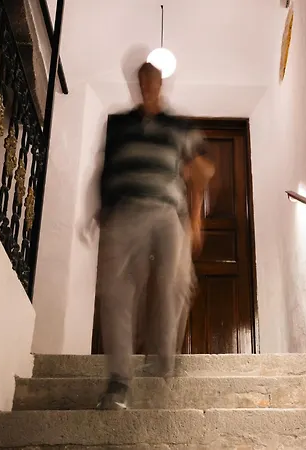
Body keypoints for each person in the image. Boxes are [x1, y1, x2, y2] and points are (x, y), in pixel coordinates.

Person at [96, 62, 214, 410]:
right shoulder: (118, 124)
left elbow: (202, 172)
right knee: (115, 291)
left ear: (161, 84)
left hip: (167, 213)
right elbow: (105, 169)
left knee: (172, 284)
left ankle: (163, 360)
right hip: (124, 211)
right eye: (142, 80)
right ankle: (119, 381)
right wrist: (101, 209)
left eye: (153, 80)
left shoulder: (179, 126)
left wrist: (196, 221)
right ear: (136, 83)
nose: (148, 86)